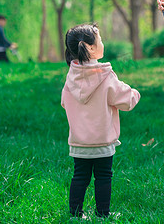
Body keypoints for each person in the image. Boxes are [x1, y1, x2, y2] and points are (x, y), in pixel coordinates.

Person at [61, 22, 140, 219]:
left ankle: (75, 214)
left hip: (79, 141)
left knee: (80, 177)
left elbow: (64, 102)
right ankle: (103, 214)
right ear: (90, 48)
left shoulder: (71, 77)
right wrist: (135, 93)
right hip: (102, 140)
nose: (102, 42)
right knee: (103, 177)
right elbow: (126, 100)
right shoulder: (105, 76)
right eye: (100, 39)